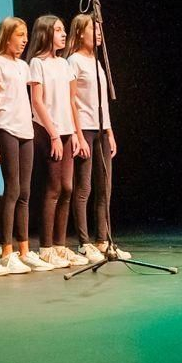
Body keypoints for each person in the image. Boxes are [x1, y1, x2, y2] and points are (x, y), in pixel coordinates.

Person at [66, 14, 129, 263]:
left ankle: (104, 239)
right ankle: (84, 242)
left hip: (102, 130)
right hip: (85, 129)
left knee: (105, 187)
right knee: (84, 187)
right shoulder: (74, 61)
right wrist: (78, 135)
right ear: (80, 33)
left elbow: (102, 101)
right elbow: (70, 100)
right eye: (93, 29)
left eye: (99, 29)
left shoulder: (97, 62)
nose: (99, 33)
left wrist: (110, 132)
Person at [28, 14, 84, 269]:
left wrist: (75, 134)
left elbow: (72, 101)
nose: (63, 34)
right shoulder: (37, 64)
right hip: (46, 130)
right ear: (46, 33)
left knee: (68, 188)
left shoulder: (64, 65)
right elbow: (37, 101)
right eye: (58, 30)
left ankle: (61, 246)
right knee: (52, 188)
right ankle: (47, 247)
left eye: (63, 30)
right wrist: (53, 134)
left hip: (66, 130)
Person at [0, 17, 36, 273]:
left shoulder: (24, 66)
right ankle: (6, 250)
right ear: (7, 36)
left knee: (25, 191)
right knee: (13, 188)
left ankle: (24, 249)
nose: (25, 39)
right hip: (6, 128)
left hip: (26, 130)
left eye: (26, 34)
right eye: (20, 34)